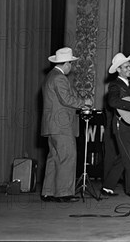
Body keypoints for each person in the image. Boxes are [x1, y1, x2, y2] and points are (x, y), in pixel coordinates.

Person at [41, 47, 93, 203]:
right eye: (71, 63)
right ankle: (63, 193)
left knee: (54, 158)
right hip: (61, 125)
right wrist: (85, 103)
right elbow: (66, 99)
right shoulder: (60, 78)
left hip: (52, 126)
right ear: (67, 64)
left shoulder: (50, 77)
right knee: (67, 157)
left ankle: (48, 192)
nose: (71, 66)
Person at [101, 52, 130, 197]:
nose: (129, 69)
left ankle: (107, 186)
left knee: (124, 157)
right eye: (126, 67)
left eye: (129, 66)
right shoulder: (115, 85)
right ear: (118, 70)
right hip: (121, 125)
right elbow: (112, 102)